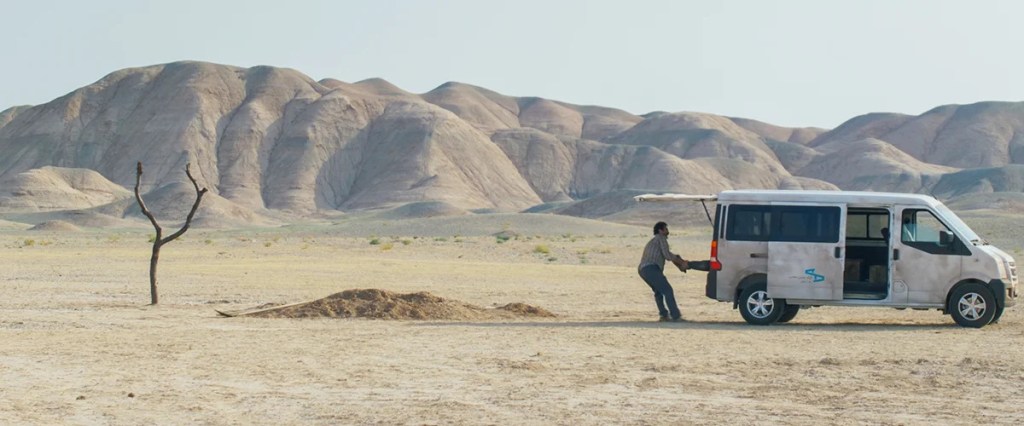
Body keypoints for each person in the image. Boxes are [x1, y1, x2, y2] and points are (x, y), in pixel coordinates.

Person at [638, 221, 689, 322]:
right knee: (668, 290)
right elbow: (667, 255)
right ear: (660, 230)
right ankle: (676, 316)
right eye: (666, 229)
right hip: (651, 268)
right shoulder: (661, 238)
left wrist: (678, 261)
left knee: (658, 292)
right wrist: (682, 262)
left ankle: (664, 315)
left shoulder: (654, 240)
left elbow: (667, 255)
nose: (667, 231)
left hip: (643, 270)